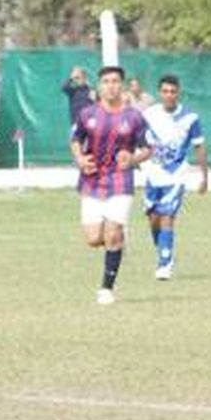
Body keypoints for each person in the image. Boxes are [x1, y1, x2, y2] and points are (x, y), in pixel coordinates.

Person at [69, 65, 150, 304]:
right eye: (106, 81)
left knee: (112, 234)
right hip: (92, 179)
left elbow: (149, 148)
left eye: (115, 81)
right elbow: (75, 140)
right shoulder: (87, 114)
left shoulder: (134, 117)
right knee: (94, 239)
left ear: (121, 85)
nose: (111, 86)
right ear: (99, 86)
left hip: (120, 179)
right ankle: (118, 236)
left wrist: (133, 159)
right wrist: (80, 159)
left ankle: (106, 289)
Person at [139, 74, 205, 281]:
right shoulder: (148, 115)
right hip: (152, 173)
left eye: (173, 92)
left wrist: (204, 175)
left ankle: (164, 263)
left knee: (167, 216)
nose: (169, 95)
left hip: (175, 175)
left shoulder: (189, 118)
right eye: (165, 91)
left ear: (178, 93)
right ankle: (163, 251)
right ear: (159, 92)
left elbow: (199, 146)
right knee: (153, 219)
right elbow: (138, 140)